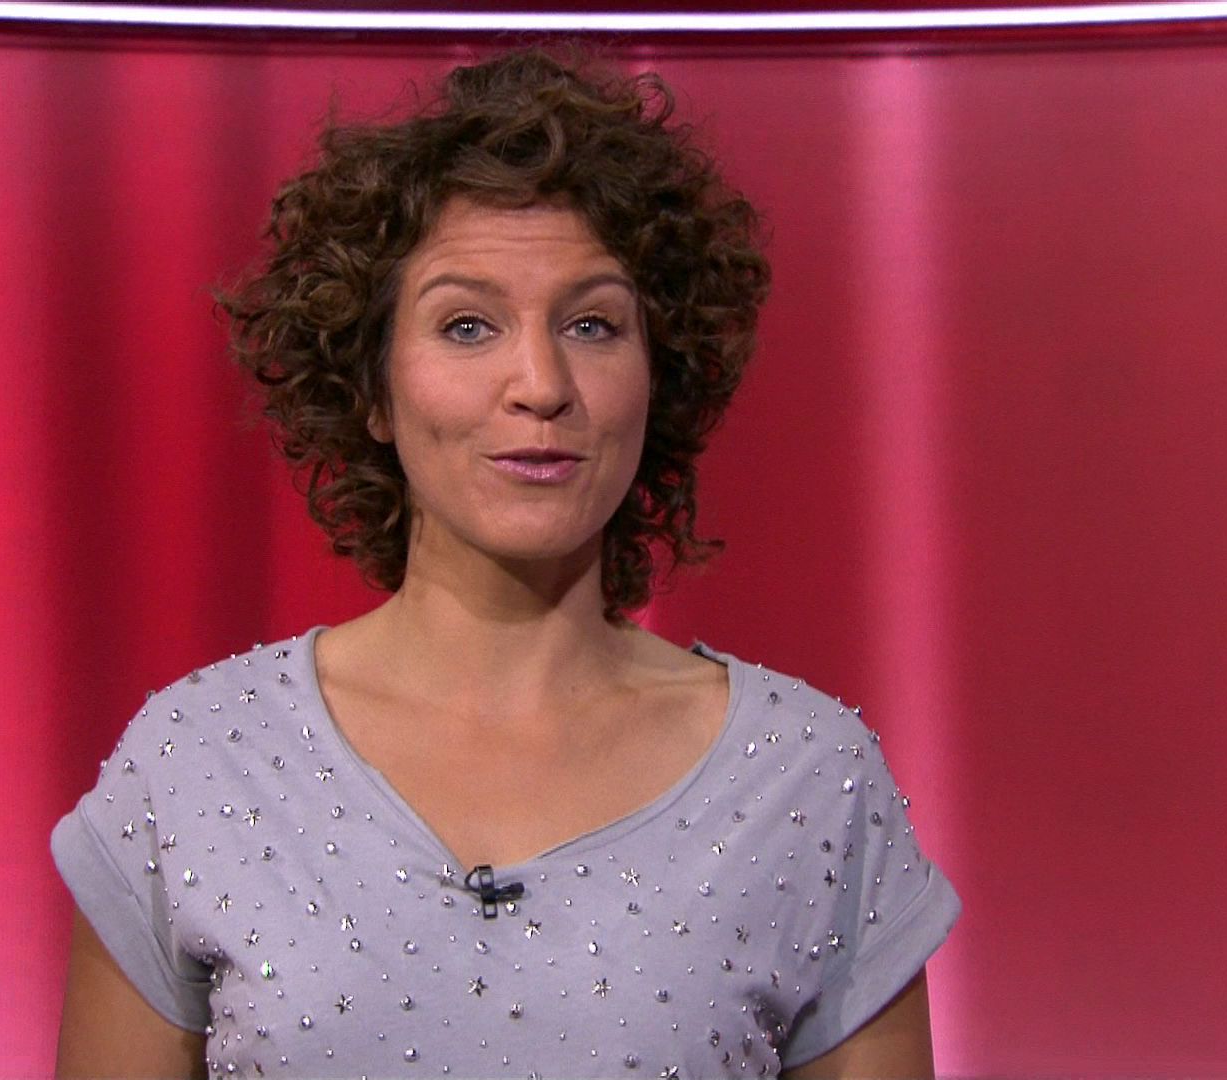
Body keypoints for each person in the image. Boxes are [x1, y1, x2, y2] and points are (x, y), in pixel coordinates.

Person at [51, 47, 961, 1079]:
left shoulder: (809, 780)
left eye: (592, 324)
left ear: (657, 379)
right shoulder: (197, 763)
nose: (540, 383)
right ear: (373, 389)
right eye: (468, 325)